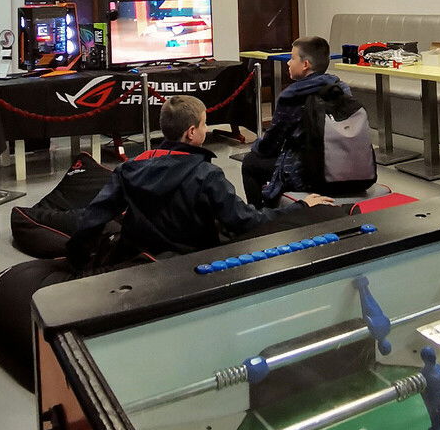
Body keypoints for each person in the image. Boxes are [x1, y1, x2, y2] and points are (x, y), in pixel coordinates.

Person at [66, 95, 335, 268]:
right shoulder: (207, 175)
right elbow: (244, 220)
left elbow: (93, 218)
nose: (206, 129)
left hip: (137, 259)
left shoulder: (128, 169)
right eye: (205, 124)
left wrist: (77, 262)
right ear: (192, 132)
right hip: (193, 263)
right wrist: (299, 207)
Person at [241, 35, 350, 207]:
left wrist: (256, 146)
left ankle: (260, 216)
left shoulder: (292, 95)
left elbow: (270, 144)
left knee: (250, 162)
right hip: (343, 165)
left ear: (305, 64)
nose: (288, 63)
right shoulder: (342, 88)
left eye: (292, 58)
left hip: (309, 173)